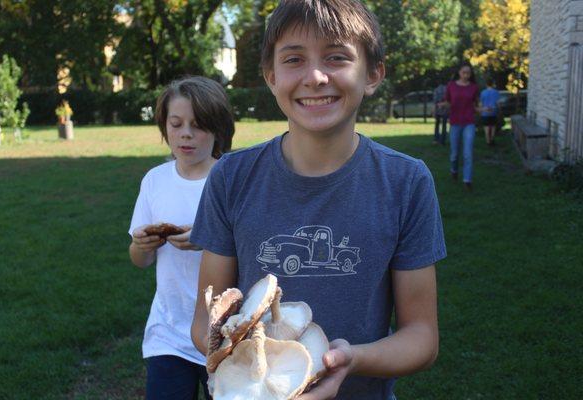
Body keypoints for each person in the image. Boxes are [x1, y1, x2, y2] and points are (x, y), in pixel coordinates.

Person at [190, 2, 446, 400]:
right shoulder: (231, 177)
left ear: (373, 74)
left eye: (336, 57)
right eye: (294, 59)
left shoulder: (406, 182)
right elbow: (205, 319)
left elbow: (422, 336)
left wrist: (351, 359)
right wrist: (243, 353)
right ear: (271, 76)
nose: (314, 76)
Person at [128, 76, 234, 400]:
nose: (186, 133)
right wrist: (141, 245)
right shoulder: (155, 180)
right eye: (176, 124)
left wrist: (209, 239)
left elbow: (251, 251)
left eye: (198, 125)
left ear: (218, 129)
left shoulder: (229, 179)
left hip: (225, 332)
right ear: (165, 127)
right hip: (168, 333)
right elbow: (140, 261)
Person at [442, 62, 479, 191]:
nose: (466, 75)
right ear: (459, 72)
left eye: (468, 73)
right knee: (454, 154)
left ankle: (467, 180)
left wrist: (484, 109)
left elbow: (475, 105)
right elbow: (448, 102)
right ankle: (454, 170)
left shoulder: (474, 87)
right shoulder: (451, 86)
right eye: (464, 72)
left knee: (468, 153)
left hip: (469, 123)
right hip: (455, 123)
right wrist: (442, 105)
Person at [480, 78, 501, 146]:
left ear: (486, 84)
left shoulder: (483, 92)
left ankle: (487, 141)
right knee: (493, 126)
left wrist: (481, 110)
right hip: (493, 111)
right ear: (492, 84)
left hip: (485, 111)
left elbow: (481, 103)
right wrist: (499, 110)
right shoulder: (496, 92)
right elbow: (498, 103)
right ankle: (492, 139)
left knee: (486, 127)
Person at [433, 80, 449, 145]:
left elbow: (435, 101)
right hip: (445, 110)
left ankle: (436, 139)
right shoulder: (447, 89)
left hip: (438, 110)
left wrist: (434, 111)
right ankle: (443, 140)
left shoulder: (436, 90)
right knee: (444, 125)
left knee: (437, 125)